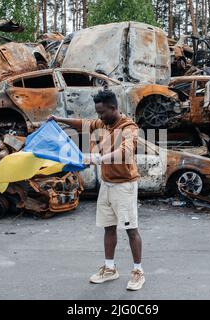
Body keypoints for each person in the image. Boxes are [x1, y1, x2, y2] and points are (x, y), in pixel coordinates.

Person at [48, 89, 145, 291]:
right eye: (97, 113)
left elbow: (125, 151)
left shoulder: (129, 127)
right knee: (108, 227)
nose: (99, 117)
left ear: (113, 108)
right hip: (107, 185)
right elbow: (83, 124)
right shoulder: (102, 123)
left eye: (101, 112)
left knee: (130, 229)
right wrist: (58, 119)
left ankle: (138, 271)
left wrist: (98, 158)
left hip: (124, 186)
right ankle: (110, 268)